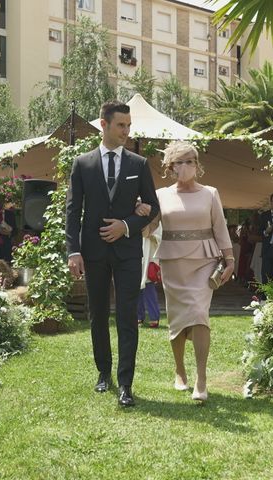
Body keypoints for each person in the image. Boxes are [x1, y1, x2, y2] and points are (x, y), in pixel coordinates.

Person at [65, 100, 159, 407]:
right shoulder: (82, 163)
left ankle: (126, 384)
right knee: (98, 314)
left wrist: (127, 225)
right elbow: (73, 210)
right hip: (92, 251)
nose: (126, 131)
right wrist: (73, 251)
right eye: (121, 125)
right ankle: (103, 373)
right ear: (103, 125)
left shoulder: (138, 164)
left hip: (128, 251)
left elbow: (153, 207)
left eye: (129, 126)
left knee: (128, 316)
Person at [151, 141, 234, 402]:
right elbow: (149, 227)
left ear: (198, 165)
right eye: (179, 162)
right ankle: (179, 371)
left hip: (204, 262)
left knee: (199, 314)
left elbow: (220, 227)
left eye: (190, 161)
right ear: (169, 167)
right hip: (173, 263)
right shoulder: (160, 195)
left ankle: (201, 378)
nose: (185, 167)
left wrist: (229, 259)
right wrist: (139, 214)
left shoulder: (210, 193)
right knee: (177, 320)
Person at [138, 223, 161, 328]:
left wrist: (149, 235)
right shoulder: (136, 219)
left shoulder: (155, 222)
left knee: (149, 289)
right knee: (137, 290)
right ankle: (139, 317)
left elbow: (161, 239)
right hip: (137, 258)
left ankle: (154, 318)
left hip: (149, 259)